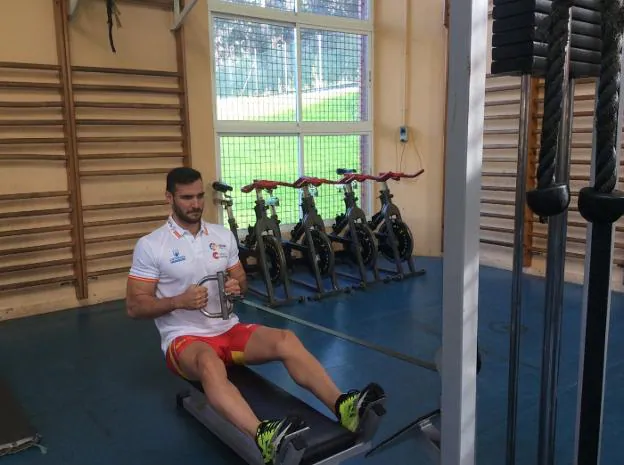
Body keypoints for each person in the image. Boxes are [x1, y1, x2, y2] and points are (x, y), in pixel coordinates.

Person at [125, 167, 384, 464]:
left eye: (199, 197)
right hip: (185, 339)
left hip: (227, 330)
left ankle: (342, 407)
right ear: (169, 197)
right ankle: (262, 435)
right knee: (209, 363)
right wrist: (177, 301)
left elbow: (241, 281)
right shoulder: (152, 245)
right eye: (186, 198)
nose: (195, 204)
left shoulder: (221, 236)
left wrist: (237, 287)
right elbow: (135, 306)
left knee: (286, 339)